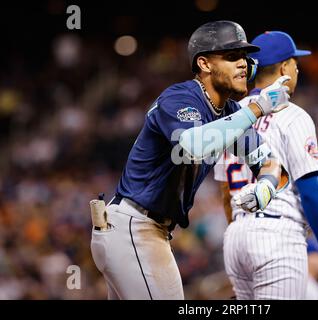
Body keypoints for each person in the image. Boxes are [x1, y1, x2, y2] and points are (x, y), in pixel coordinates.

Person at [90, 21, 292, 300]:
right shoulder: (180, 97)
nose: (244, 64)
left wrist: (265, 188)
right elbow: (194, 144)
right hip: (133, 227)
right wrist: (257, 108)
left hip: (145, 232)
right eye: (232, 56)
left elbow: (271, 164)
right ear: (205, 64)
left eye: (245, 57)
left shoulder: (229, 113)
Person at [214, 31, 318, 299]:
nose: (297, 68)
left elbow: (226, 192)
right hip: (276, 234)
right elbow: (309, 188)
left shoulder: (231, 117)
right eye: (295, 63)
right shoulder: (292, 114)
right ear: (284, 67)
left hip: (236, 235)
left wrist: (242, 233)